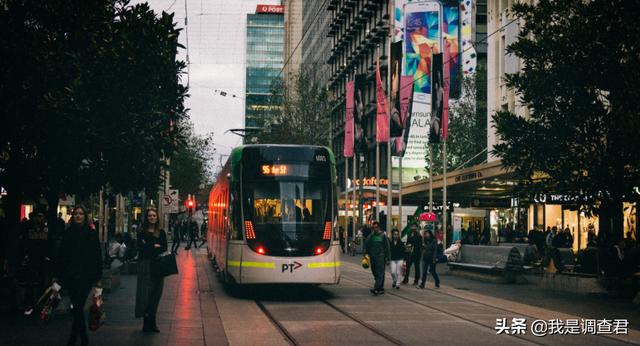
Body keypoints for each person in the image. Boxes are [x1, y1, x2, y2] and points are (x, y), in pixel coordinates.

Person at [54, 205, 102, 346]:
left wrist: (98, 277)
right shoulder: (68, 233)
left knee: (79, 306)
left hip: (86, 276)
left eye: (81, 214)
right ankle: (79, 336)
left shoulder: (91, 233)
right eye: (76, 213)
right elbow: (61, 256)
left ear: (85, 216)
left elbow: (97, 256)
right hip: (71, 276)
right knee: (77, 306)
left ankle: (77, 338)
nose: (78, 216)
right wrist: (58, 275)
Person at [135, 208, 168, 333]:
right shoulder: (142, 233)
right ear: (146, 218)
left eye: (154, 215)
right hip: (146, 266)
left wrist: (151, 247)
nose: (152, 217)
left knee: (156, 294)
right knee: (145, 295)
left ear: (157, 217)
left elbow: (164, 247)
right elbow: (142, 250)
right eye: (150, 216)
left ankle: (152, 321)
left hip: (159, 267)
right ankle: (146, 322)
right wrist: (154, 247)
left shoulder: (161, 233)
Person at [364, 221, 390, 295]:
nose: (375, 229)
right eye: (373, 227)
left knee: (380, 273)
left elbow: (387, 247)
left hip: (380, 257)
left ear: (379, 228)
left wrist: (388, 258)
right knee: (374, 271)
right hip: (373, 257)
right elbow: (366, 244)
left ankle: (376, 288)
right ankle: (380, 287)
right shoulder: (371, 236)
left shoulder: (383, 236)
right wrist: (365, 253)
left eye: (376, 227)